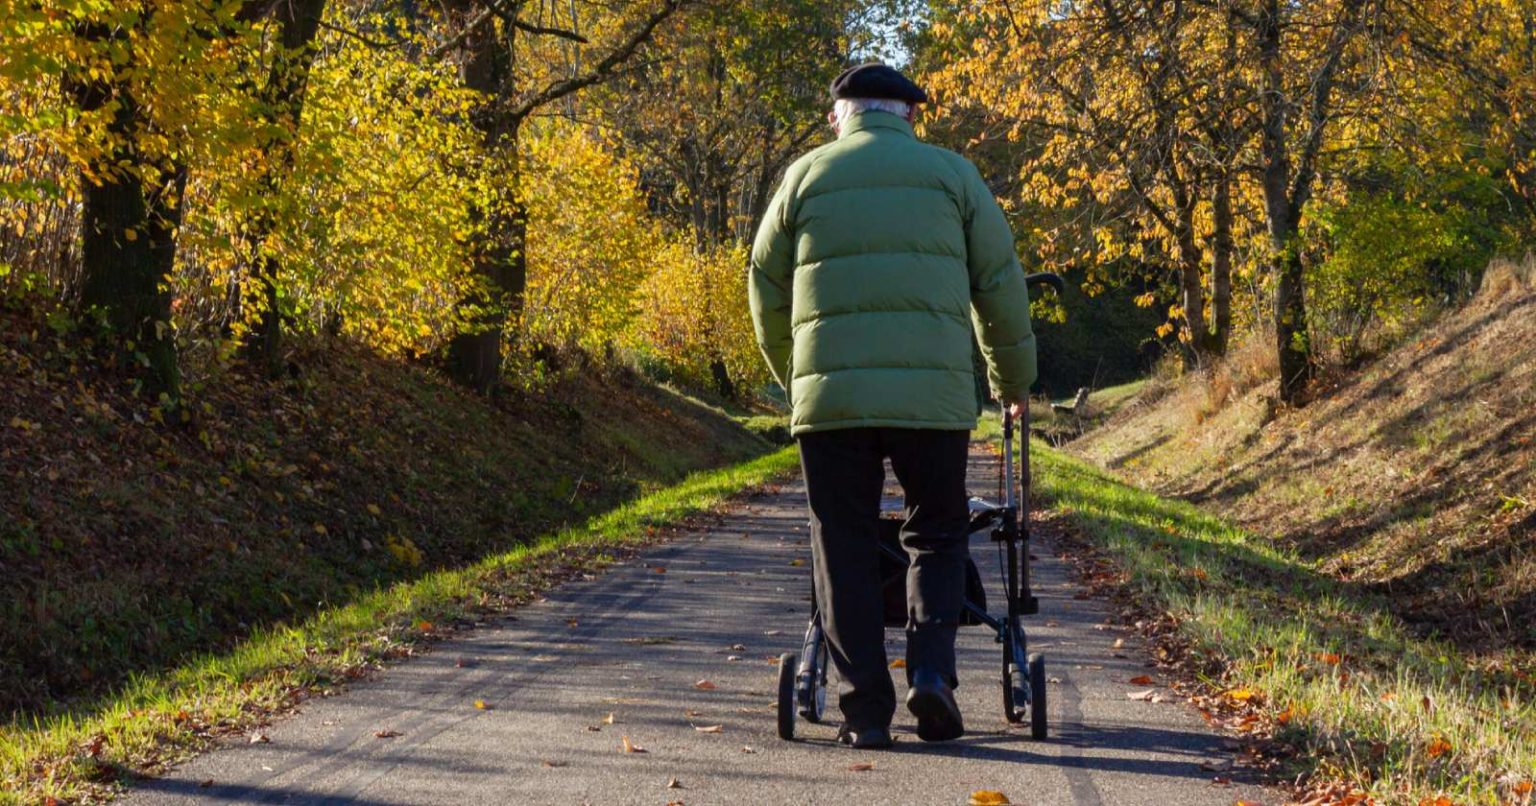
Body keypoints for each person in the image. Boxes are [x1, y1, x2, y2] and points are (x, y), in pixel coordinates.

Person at [748, 63, 1038, 749]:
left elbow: (763, 281)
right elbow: (999, 283)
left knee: (842, 540)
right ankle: (932, 677)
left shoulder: (805, 177)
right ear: (912, 115)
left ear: (838, 116)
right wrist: (1012, 382)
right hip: (932, 400)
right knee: (936, 530)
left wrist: (795, 376)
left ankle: (864, 712)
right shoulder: (954, 175)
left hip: (833, 400)